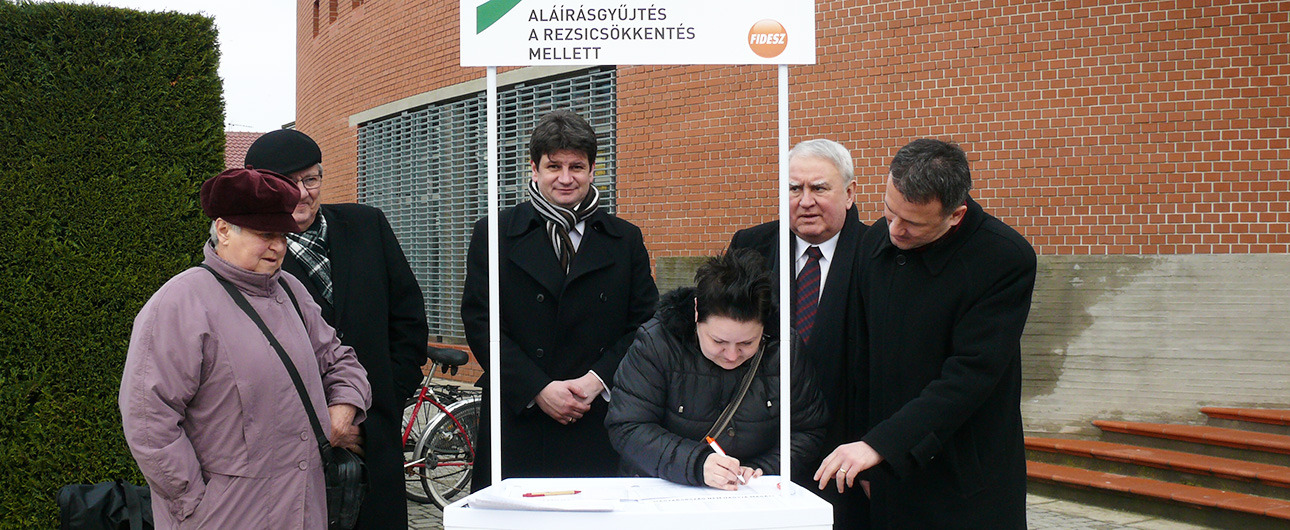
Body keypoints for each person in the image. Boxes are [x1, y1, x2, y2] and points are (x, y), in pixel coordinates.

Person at [120, 167, 371, 529]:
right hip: (226, 518)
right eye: (265, 234)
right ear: (223, 230)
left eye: (283, 235)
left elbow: (340, 361)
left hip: (304, 511)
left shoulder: (292, 292)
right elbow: (149, 423)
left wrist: (341, 413)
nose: (278, 247)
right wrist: (195, 505)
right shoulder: (179, 303)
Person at [815, 139, 1037, 528]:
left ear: (956, 215)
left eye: (913, 223)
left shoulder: (1003, 258)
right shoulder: (875, 241)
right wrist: (867, 447)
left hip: (964, 477)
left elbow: (970, 375)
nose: (895, 230)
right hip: (886, 468)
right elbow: (859, 358)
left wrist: (881, 444)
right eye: (889, 211)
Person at [461, 109, 659, 490]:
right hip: (518, 417)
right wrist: (537, 388)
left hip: (596, 415)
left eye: (577, 167)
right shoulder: (495, 234)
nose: (566, 178)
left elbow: (645, 325)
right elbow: (481, 322)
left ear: (592, 170)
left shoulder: (625, 239)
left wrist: (597, 380)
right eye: (554, 166)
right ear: (534, 169)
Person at [243, 129, 429, 529]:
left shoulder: (367, 225)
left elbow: (409, 321)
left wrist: (383, 401)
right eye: (286, 183)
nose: (302, 193)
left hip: (375, 442)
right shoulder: (247, 255)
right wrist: (323, 425)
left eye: (310, 179)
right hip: (291, 457)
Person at [728, 138, 868, 525]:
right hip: (761, 458)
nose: (805, 201)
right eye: (794, 189)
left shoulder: (879, 253)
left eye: (819, 188)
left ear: (850, 193)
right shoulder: (750, 247)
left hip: (845, 459)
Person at [605, 250, 828, 490]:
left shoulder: (784, 349)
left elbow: (807, 430)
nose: (731, 355)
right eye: (718, 342)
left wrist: (762, 469)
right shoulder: (658, 343)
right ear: (697, 312)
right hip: (663, 490)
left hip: (749, 493)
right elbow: (628, 427)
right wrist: (696, 463)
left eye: (747, 343)